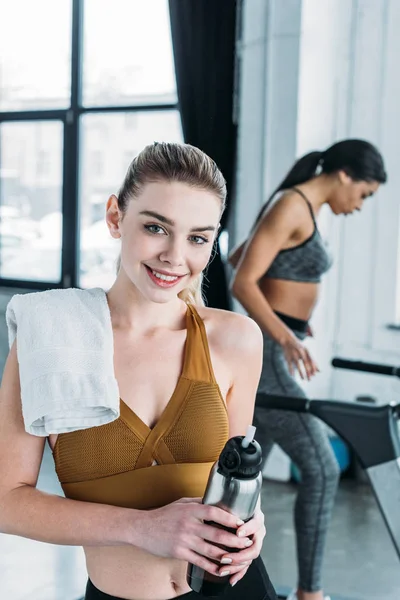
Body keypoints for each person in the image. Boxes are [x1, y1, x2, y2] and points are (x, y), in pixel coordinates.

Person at [0, 142, 278, 600]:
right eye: (155, 227)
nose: (174, 256)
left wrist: (253, 523)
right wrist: (142, 527)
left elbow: (234, 478)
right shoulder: (48, 338)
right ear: (115, 217)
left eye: (197, 238)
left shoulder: (236, 340)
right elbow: (7, 501)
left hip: (236, 589)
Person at [229, 139, 387, 600]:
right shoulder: (293, 205)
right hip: (270, 355)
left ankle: (219, 571)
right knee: (322, 468)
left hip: (276, 347)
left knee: (244, 474)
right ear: (345, 175)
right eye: (364, 194)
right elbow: (242, 281)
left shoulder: (297, 206)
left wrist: (295, 317)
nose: (359, 206)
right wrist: (285, 333)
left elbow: (243, 255)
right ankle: (310, 594)